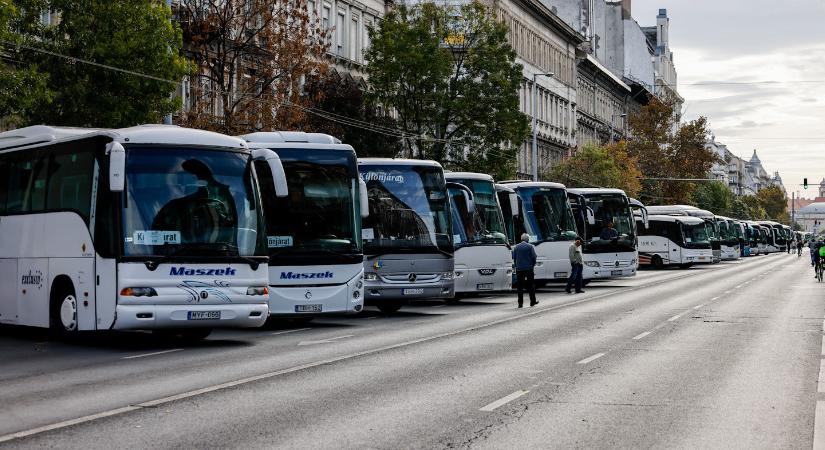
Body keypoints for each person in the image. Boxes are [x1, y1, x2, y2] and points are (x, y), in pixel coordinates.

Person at [512, 233, 538, 308]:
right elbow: (534, 257)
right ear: (527, 239)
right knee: (531, 285)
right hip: (529, 268)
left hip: (519, 269)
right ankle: (532, 301)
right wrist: (532, 265)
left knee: (520, 287)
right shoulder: (530, 246)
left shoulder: (516, 247)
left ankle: (520, 303)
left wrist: (517, 266)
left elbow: (514, 258)